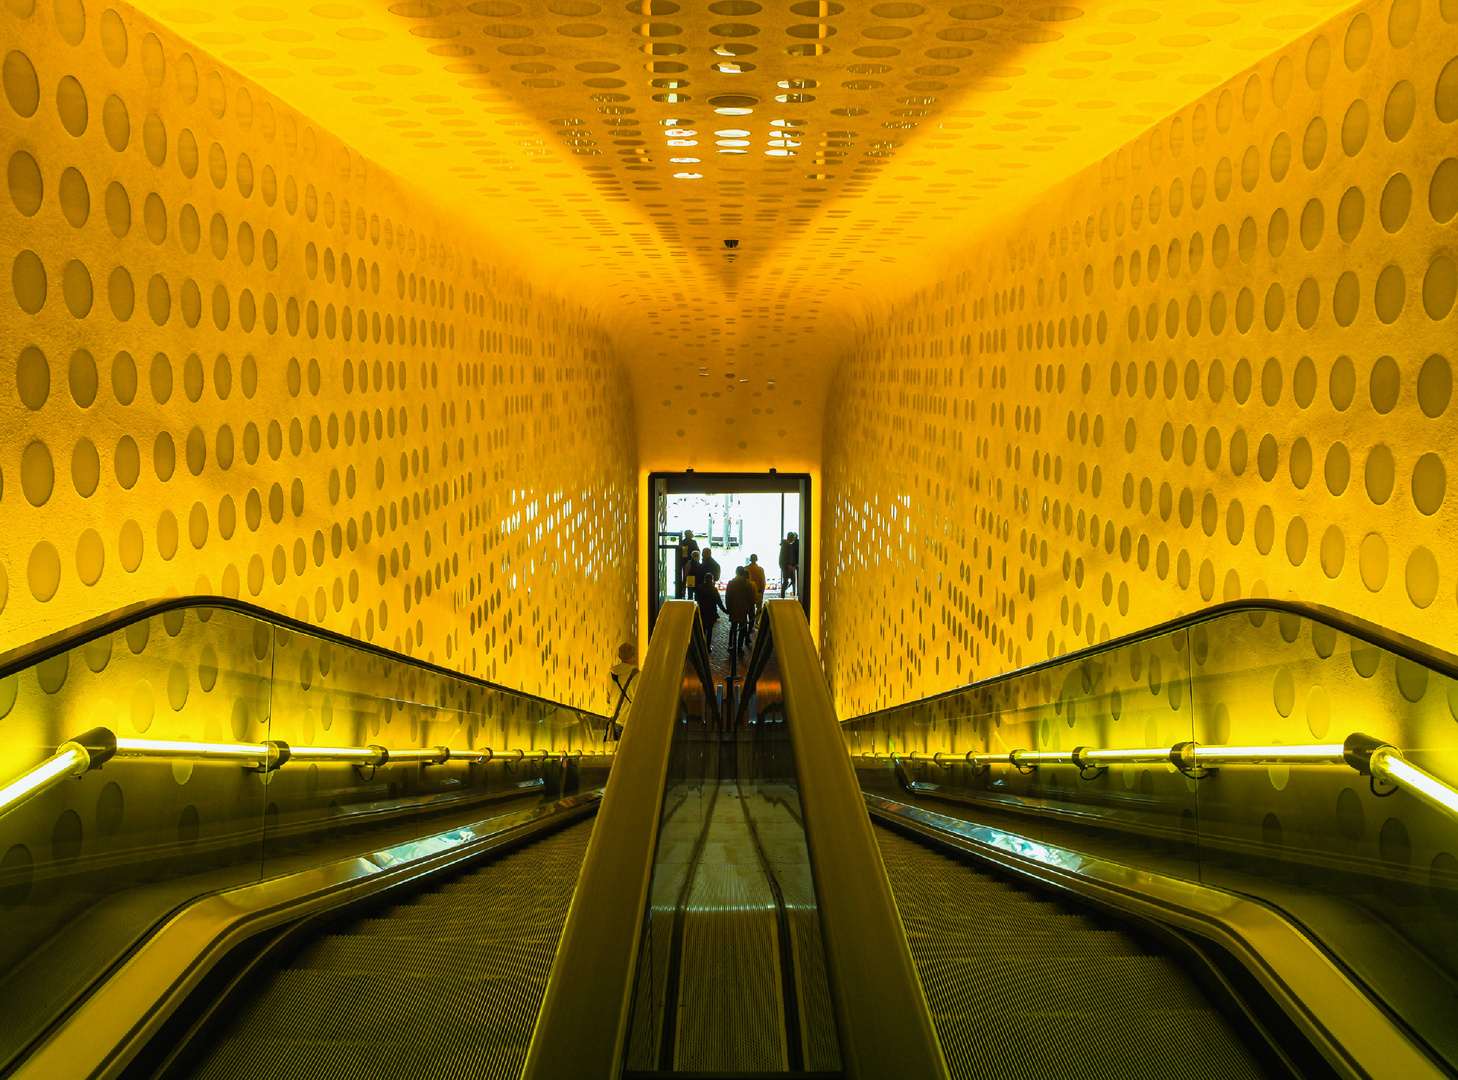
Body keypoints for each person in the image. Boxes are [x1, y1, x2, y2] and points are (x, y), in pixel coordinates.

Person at [607, 642, 638, 742]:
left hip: (617, 720)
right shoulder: (639, 675)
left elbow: (608, 698)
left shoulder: (611, 675)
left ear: (619, 656)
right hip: (632, 721)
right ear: (634, 656)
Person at [725, 566, 757, 656]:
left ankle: (731, 644)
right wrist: (751, 609)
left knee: (733, 627)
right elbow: (751, 599)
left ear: (736, 572)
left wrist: (728, 608)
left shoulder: (731, 583)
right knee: (742, 628)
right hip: (743, 609)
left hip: (733, 608)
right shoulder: (747, 585)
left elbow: (728, 597)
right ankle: (739, 647)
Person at [694, 564, 727, 641]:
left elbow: (697, 599)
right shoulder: (713, 589)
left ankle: (703, 643)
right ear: (712, 579)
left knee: (703, 628)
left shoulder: (700, 588)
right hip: (711, 611)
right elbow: (718, 601)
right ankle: (708, 645)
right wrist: (724, 610)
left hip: (703, 611)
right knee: (710, 629)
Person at [674, 529, 697, 598]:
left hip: (683, 563)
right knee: (692, 578)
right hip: (692, 563)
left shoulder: (682, 542)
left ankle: (682, 593)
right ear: (689, 534)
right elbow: (697, 551)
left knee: (684, 578)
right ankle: (690, 594)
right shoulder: (693, 542)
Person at [779, 532, 800, 598]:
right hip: (787, 566)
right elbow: (784, 557)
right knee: (787, 581)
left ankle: (785, 594)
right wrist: (788, 564)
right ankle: (783, 595)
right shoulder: (786, 546)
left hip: (789, 566)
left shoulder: (786, 546)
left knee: (790, 581)